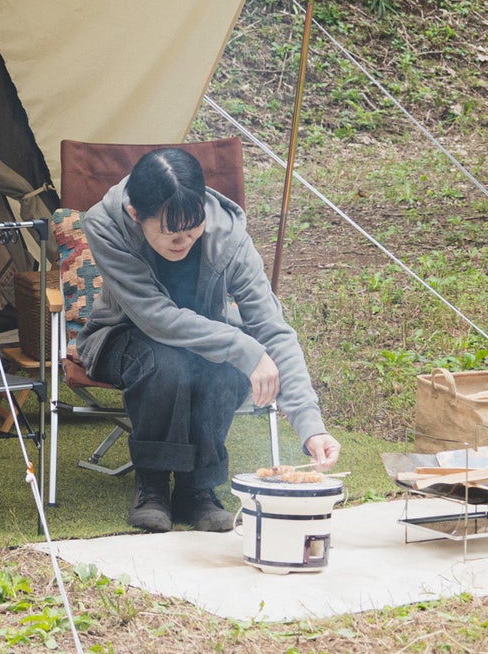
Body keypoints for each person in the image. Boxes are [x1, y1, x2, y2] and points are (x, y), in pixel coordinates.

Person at [77, 147, 341, 533]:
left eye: (193, 229)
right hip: (124, 334)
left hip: (207, 338)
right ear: (137, 215)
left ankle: (198, 488)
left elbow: (271, 327)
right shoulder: (107, 224)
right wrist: (243, 347)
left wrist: (311, 426)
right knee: (168, 364)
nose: (184, 241)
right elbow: (155, 317)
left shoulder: (229, 234)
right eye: (171, 234)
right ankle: (152, 483)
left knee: (224, 369)